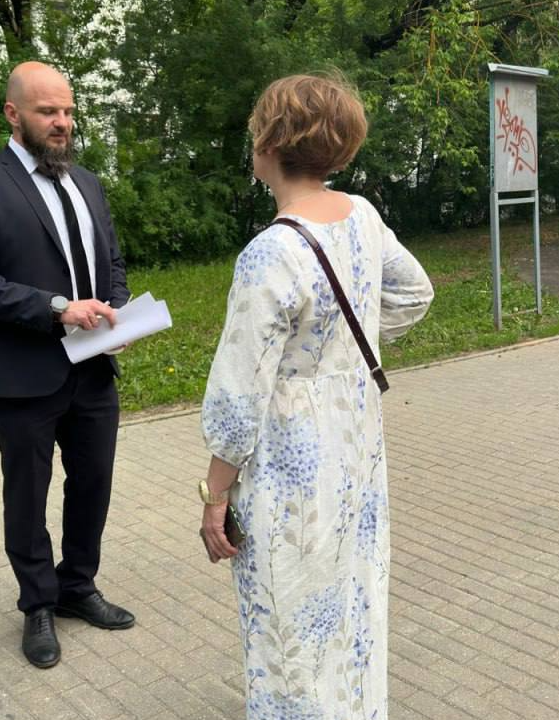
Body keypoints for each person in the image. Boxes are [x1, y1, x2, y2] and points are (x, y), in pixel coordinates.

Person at [199, 74, 434, 718]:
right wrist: (343, 353)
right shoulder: (362, 216)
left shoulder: (269, 253)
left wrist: (214, 497)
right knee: (354, 605)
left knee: (290, 622)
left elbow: (238, 399)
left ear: (271, 144)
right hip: (357, 451)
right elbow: (415, 293)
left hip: (289, 467)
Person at [0, 61, 135, 670]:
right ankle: (38, 604)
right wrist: (58, 309)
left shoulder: (88, 182)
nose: (62, 122)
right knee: (28, 494)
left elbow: (112, 262)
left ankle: (78, 585)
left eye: (69, 111)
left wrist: (118, 313)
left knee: (94, 483)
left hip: (93, 369)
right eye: (48, 111)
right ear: (13, 114)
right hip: (23, 372)